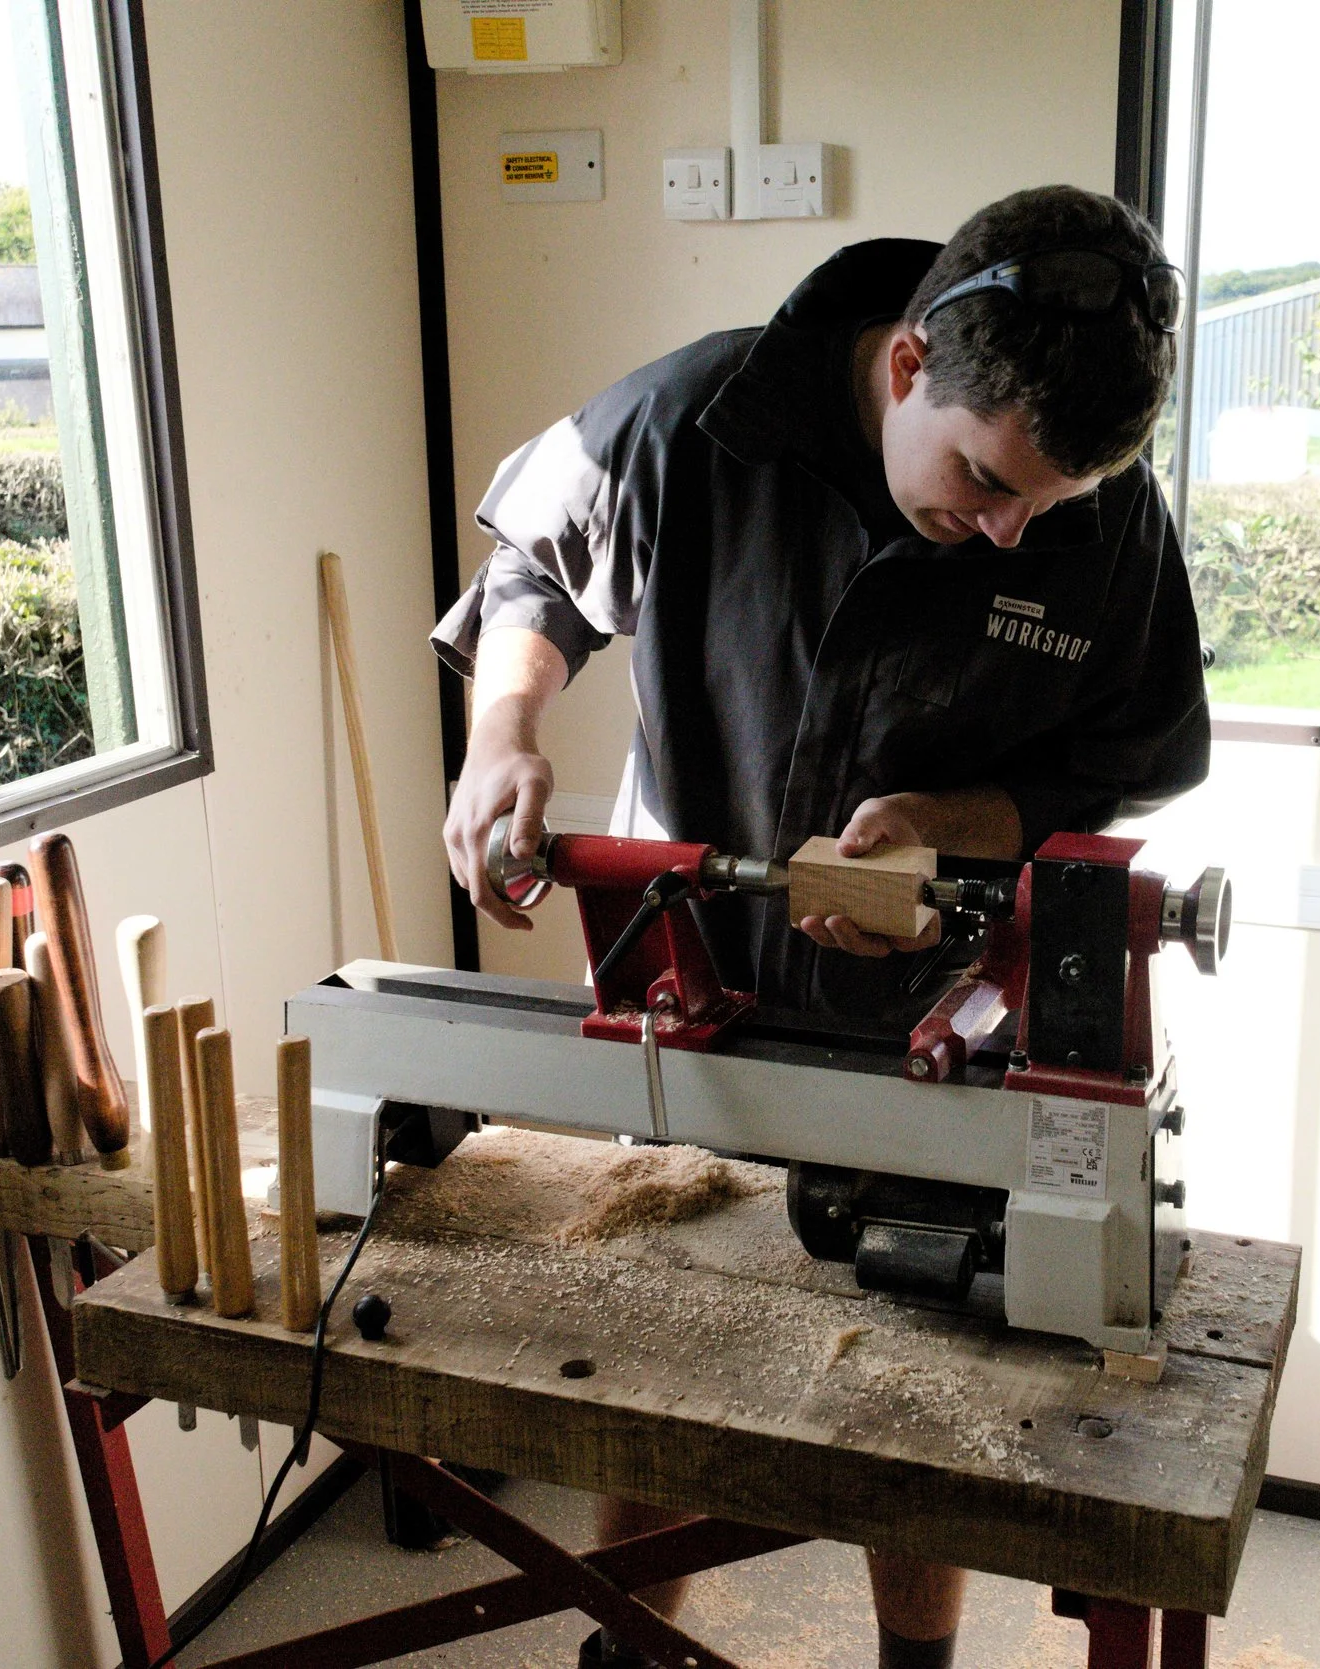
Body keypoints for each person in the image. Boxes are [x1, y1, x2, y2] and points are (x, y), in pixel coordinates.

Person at [434, 184, 1210, 1669]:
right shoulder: (697, 418)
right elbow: (536, 565)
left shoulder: (1096, 524)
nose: (1005, 534)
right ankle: (632, 1647)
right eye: (987, 484)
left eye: (1043, 510)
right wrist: (504, 731)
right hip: (693, 996)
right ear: (910, 364)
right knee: (660, 1360)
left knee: (910, 1392)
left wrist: (964, 824)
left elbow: (1145, 755)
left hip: (934, 1024)